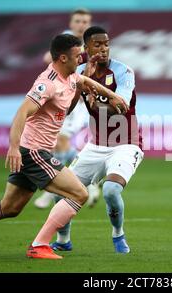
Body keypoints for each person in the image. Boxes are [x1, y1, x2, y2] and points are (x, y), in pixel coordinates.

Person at [0, 34, 129, 260]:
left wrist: (111, 95)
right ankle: (40, 244)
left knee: (9, 208)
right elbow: (22, 112)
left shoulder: (71, 76)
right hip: (33, 152)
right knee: (79, 193)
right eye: (77, 56)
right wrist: (13, 148)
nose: (81, 59)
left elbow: (84, 83)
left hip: (33, 152)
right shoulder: (47, 83)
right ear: (63, 58)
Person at [47, 26, 144, 254]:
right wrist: (74, 93)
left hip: (126, 144)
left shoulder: (123, 71)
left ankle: (118, 235)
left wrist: (92, 101)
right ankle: (63, 240)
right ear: (87, 48)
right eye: (97, 44)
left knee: (110, 190)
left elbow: (121, 107)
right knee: (61, 190)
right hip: (96, 145)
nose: (103, 49)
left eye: (106, 44)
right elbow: (68, 107)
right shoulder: (79, 71)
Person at [35, 8, 101, 209]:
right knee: (57, 143)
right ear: (71, 23)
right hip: (60, 98)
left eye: (85, 21)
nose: (81, 24)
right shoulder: (65, 41)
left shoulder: (93, 45)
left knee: (60, 140)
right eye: (78, 21)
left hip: (78, 101)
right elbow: (47, 59)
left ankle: (51, 189)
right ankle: (91, 181)